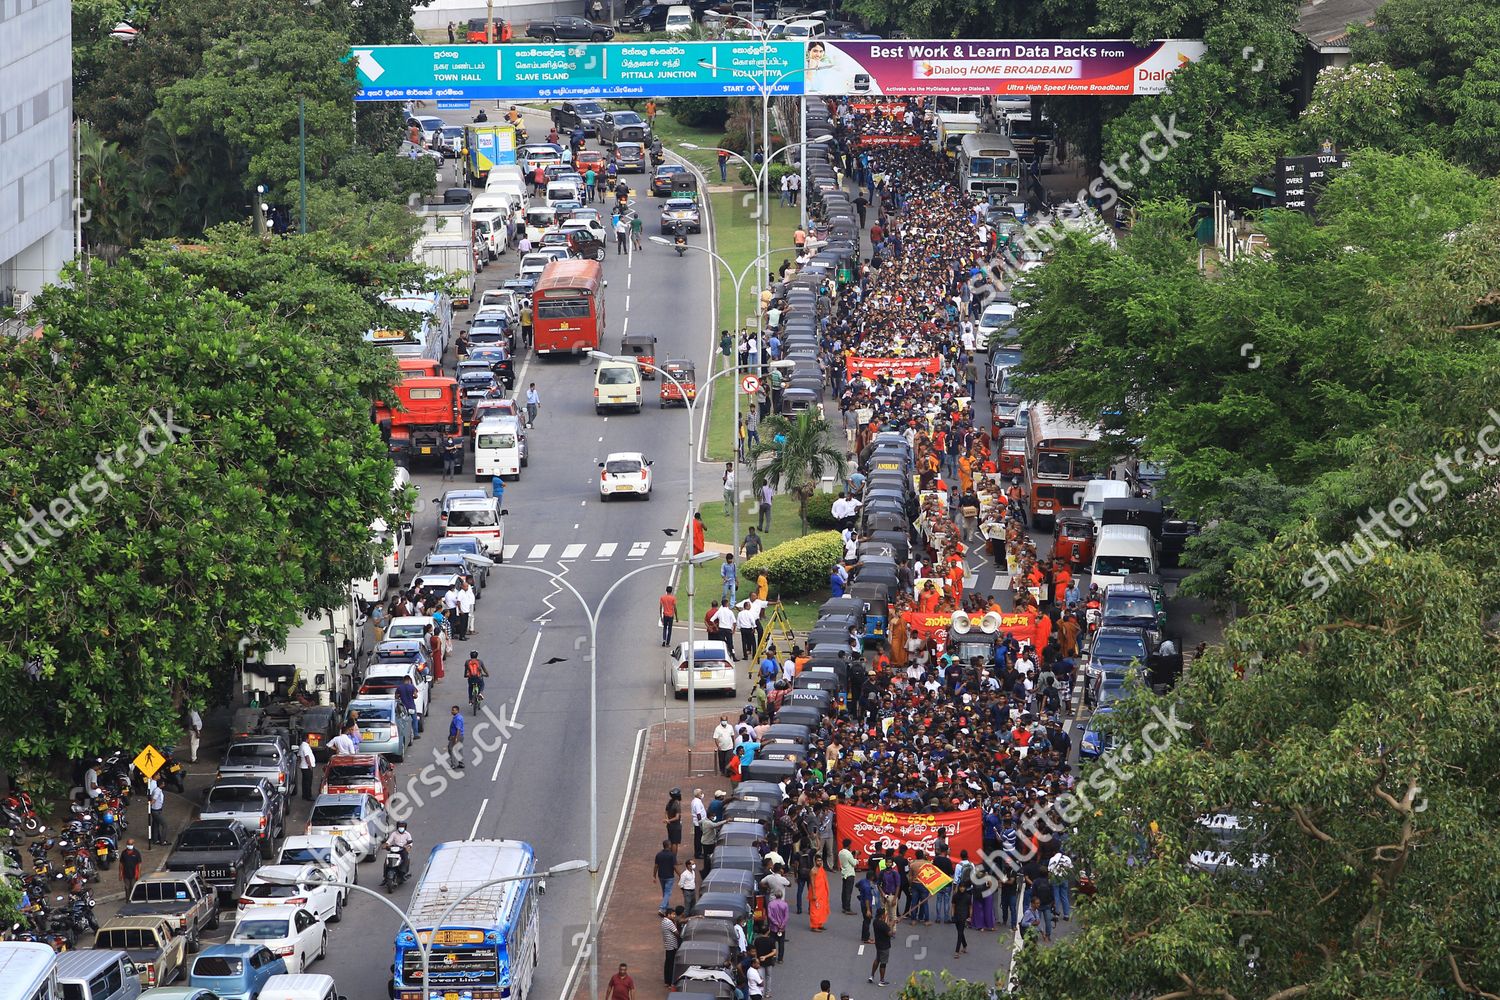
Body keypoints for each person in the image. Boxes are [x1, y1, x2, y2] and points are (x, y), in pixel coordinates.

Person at [868, 911, 892, 986]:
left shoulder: (875, 922)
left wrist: (888, 925)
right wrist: (891, 925)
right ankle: (881, 980)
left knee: (877, 959)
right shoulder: (884, 925)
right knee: (883, 963)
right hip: (884, 946)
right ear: (882, 916)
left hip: (878, 944)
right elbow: (890, 933)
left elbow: (885, 928)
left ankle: (872, 976)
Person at [654, 838, 676, 914]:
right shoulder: (671, 855)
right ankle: (662, 908)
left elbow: (656, 866)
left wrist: (654, 876)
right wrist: (680, 874)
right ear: (669, 846)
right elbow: (674, 866)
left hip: (661, 876)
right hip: (669, 876)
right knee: (668, 892)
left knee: (664, 891)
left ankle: (666, 906)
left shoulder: (659, 855)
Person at [837, 838, 858, 913]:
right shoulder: (848, 853)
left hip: (844, 873)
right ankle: (848, 908)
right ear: (849, 845)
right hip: (850, 874)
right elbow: (854, 863)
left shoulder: (840, 852)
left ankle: (844, 907)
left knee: (844, 891)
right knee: (848, 892)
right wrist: (855, 856)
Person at [952, 880, 972, 956]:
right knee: (960, 932)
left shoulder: (968, 897)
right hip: (957, 915)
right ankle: (965, 945)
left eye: (963, 887)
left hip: (964, 916)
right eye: (961, 887)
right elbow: (953, 906)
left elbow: (970, 907)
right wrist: (952, 915)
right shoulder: (955, 896)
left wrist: (970, 916)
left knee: (960, 933)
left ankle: (957, 951)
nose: (962, 888)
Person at [660, 909, 680, 987]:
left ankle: (667, 981)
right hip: (672, 946)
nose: (674, 916)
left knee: (668, 964)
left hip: (668, 945)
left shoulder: (664, 921)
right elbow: (677, 933)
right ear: (668, 915)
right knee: (671, 964)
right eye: (673, 914)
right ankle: (670, 982)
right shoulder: (669, 923)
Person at [147, 777, 167, 845]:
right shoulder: (157, 791)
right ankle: (163, 840)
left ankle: (155, 839)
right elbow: (154, 799)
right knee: (164, 825)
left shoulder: (157, 790)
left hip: (156, 810)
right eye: (163, 784)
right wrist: (150, 804)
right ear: (161, 784)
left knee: (156, 824)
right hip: (156, 811)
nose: (164, 785)